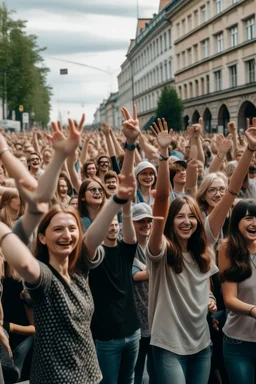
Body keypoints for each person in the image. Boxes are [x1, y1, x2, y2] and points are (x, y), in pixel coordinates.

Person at [0, 170, 135, 384]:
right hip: (55, 378)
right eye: (58, 229)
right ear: (42, 237)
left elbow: (93, 235)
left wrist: (118, 198)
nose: (67, 235)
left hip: (90, 375)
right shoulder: (44, 276)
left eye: (72, 229)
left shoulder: (79, 268)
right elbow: (25, 263)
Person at [147, 118, 218, 384]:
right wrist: (164, 156)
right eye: (179, 217)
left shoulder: (203, 252)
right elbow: (163, 201)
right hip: (168, 345)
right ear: (169, 221)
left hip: (201, 344)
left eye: (192, 217)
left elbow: (205, 286)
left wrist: (209, 297)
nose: (186, 221)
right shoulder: (160, 250)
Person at [89, 105, 141, 384]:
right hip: (106, 337)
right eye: (106, 223)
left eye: (116, 224)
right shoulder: (93, 254)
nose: (112, 226)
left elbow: (127, 206)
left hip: (132, 331)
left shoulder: (126, 247)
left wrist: (130, 145)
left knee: (129, 380)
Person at [218, 199, 256, 384]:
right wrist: (253, 310)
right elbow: (229, 299)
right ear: (237, 221)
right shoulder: (227, 248)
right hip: (238, 343)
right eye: (249, 218)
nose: (254, 223)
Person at [132, 203, 157, 384]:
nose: (146, 224)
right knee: (137, 370)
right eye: (141, 220)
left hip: (157, 317)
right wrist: (157, 270)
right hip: (136, 319)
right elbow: (134, 275)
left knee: (156, 370)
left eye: (149, 220)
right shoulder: (127, 247)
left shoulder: (156, 245)